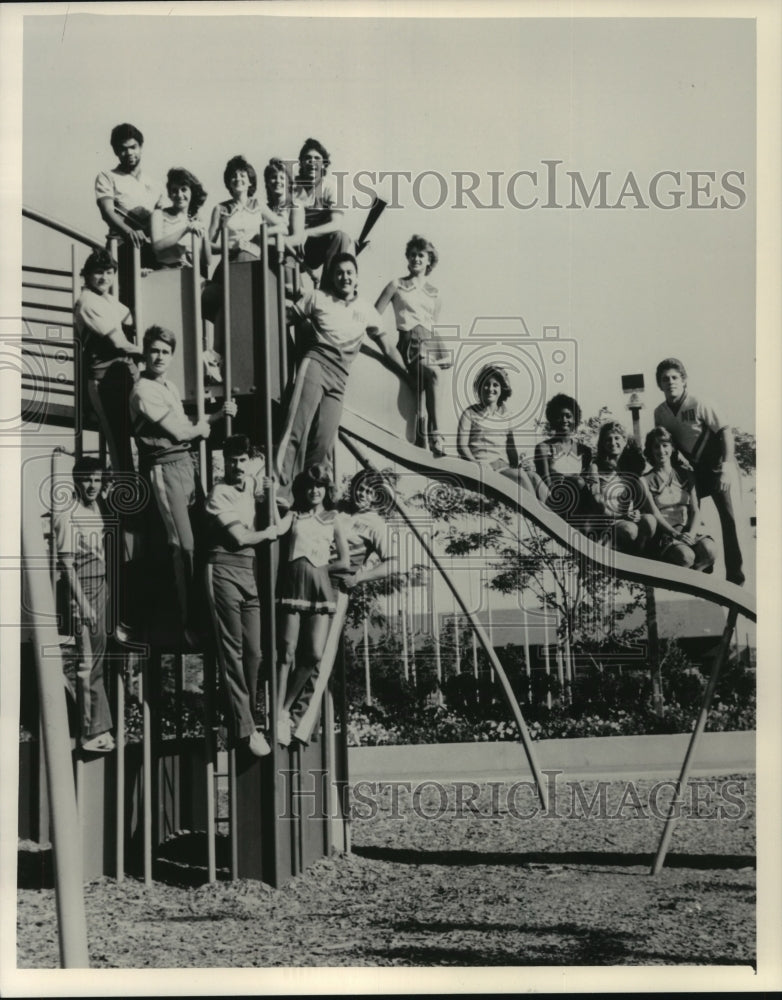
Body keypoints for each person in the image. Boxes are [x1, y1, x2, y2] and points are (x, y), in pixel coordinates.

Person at [129, 325, 235, 643]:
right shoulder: (142, 390)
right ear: (145, 354)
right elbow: (181, 433)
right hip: (164, 467)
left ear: (172, 356)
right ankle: (190, 622)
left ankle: (208, 612)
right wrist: (205, 426)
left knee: (203, 539)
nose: (159, 356)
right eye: (154, 351)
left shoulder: (169, 387)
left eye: (165, 351)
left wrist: (216, 417)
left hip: (186, 465)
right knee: (183, 546)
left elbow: (189, 427)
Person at [275, 252, 406, 508]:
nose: (344, 277)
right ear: (332, 277)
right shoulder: (317, 297)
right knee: (296, 428)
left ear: (356, 277)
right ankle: (280, 491)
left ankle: (306, 499)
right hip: (316, 364)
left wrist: (408, 376)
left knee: (323, 441)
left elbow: (388, 347)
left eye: (349, 272)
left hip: (340, 378)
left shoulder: (366, 309)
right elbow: (286, 319)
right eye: (339, 273)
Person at [291, 468, 400, 743]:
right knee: (295, 648)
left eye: (370, 490)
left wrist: (360, 576)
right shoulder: (337, 509)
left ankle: (299, 725)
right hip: (307, 579)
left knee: (320, 655)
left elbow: (395, 562)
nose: (363, 494)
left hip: (337, 585)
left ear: (377, 496)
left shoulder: (375, 524)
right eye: (360, 487)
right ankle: (283, 712)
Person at [204, 436, 284, 757]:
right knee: (232, 651)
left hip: (248, 572)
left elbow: (269, 483)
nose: (236, 466)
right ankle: (247, 727)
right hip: (222, 569)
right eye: (231, 460)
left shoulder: (252, 483)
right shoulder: (219, 493)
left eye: (241, 460)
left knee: (255, 652)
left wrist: (271, 488)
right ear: (224, 462)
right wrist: (269, 533)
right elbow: (239, 537)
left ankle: (243, 718)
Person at [275, 465, 350, 747]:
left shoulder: (334, 518)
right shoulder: (293, 515)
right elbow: (276, 528)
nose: (315, 490)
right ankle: (278, 716)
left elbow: (343, 560)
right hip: (293, 586)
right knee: (287, 651)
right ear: (303, 490)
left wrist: (320, 569)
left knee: (314, 654)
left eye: (320, 486)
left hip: (319, 587)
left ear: (326, 489)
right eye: (310, 485)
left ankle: (285, 708)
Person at [653, 358, 745, 585]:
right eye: (665, 379)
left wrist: (727, 466)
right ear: (660, 385)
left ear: (684, 381)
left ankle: (736, 577)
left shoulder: (700, 402)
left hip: (718, 467)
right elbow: (667, 447)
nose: (670, 382)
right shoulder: (660, 413)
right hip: (696, 470)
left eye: (675, 377)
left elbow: (725, 431)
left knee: (729, 521)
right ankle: (703, 559)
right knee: (686, 510)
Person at [53, 457, 114, 752]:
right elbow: (66, 564)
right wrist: (84, 605)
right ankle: (89, 732)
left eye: (98, 479)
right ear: (77, 480)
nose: (93, 485)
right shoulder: (67, 513)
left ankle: (100, 726)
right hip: (83, 588)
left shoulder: (98, 507)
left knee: (100, 656)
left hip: (100, 583)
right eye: (88, 479)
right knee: (88, 658)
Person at [375, 235, 452, 457]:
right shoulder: (396, 285)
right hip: (409, 343)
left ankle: (424, 435)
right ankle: (435, 435)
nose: (416, 258)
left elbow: (432, 323)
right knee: (433, 374)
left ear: (429, 260)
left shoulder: (435, 293)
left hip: (429, 342)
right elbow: (373, 316)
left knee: (432, 382)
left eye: (421, 255)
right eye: (412, 254)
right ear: (407, 258)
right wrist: (383, 342)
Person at [74, 248, 142, 477]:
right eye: (98, 272)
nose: (104, 277)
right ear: (87, 274)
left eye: (109, 272)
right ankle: (128, 497)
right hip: (104, 381)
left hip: (123, 373)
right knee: (119, 442)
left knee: (143, 427)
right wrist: (146, 352)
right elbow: (119, 343)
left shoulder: (106, 298)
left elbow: (131, 318)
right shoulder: (87, 301)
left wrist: (144, 282)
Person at [457, 363, 548, 499]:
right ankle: (535, 516)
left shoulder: (506, 416)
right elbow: (461, 446)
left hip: (503, 467)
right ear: (480, 387)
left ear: (502, 389)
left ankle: (554, 516)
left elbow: (511, 449)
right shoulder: (470, 413)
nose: (490, 389)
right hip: (484, 466)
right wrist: (476, 464)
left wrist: (520, 464)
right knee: (520, 477)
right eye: (486, 384)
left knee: (535, 478)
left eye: (495, 385)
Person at [642, 427, 716, 572]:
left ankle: (696, 576)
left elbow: (695, 509)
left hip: (690, 531)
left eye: (665, 445)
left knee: (710, 550)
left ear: (673, 447)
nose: (661, 450)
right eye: (656, 446)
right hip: (667, 534)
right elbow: (655, 514)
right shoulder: (644, 480)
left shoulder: (687, 474)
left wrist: (692, 534)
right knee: (685, 557)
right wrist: (676, 535)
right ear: (650, 450)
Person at [94, 123, 162, 277]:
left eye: (133, 147)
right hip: (121, 248)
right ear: (116, 151)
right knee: (126, 296)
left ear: (140, 147)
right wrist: (129, 232)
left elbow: (161, 216)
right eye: (123, 149)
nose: (129, 152)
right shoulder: (107, 177)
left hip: (149, 249)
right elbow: (107, 211)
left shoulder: (154, 182)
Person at [290, 137, 353, 290]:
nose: (312, 162)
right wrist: (296, 236)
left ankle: (328, 290)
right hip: (291, 245)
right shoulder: (291, 187)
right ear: (301, 162)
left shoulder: (330, 187)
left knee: (341, 237)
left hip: (314, 246)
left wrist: (305, 233)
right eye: (308, 158)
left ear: (324, 164)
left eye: (317, 158)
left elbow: (336, 223)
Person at [586, 422, 656, 554]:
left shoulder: (632, 467)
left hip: (628, 519)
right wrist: (623, 515)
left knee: (650, 520)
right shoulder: (595, 467)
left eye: (617, 438)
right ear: (602, 444)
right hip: (606, 521)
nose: (613, 442)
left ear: (625, 441)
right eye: (608, 439)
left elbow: (641, 501)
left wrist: (637, 513)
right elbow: (596, 500)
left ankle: (639, 557)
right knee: (630, 529)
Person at [534, 394, 593, 524]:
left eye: (568, 416)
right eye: (559, 416)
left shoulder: (585, 451)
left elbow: (587, 484)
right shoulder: (543, 447)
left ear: (575, 419)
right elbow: (545, 482)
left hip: (581, 506)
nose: (564, 420)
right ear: (552, 419)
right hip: (556, 501)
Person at [150, 168, 211, 273]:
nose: (179, 195)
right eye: (174, 190)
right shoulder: (159, 214)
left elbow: (207, 262)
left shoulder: (196, 220)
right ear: (169, 194)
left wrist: (204, 234)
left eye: (184, 189)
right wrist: (186, 230)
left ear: (191, 192)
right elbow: (157, 246)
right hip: (168, 273)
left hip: (193, 275)